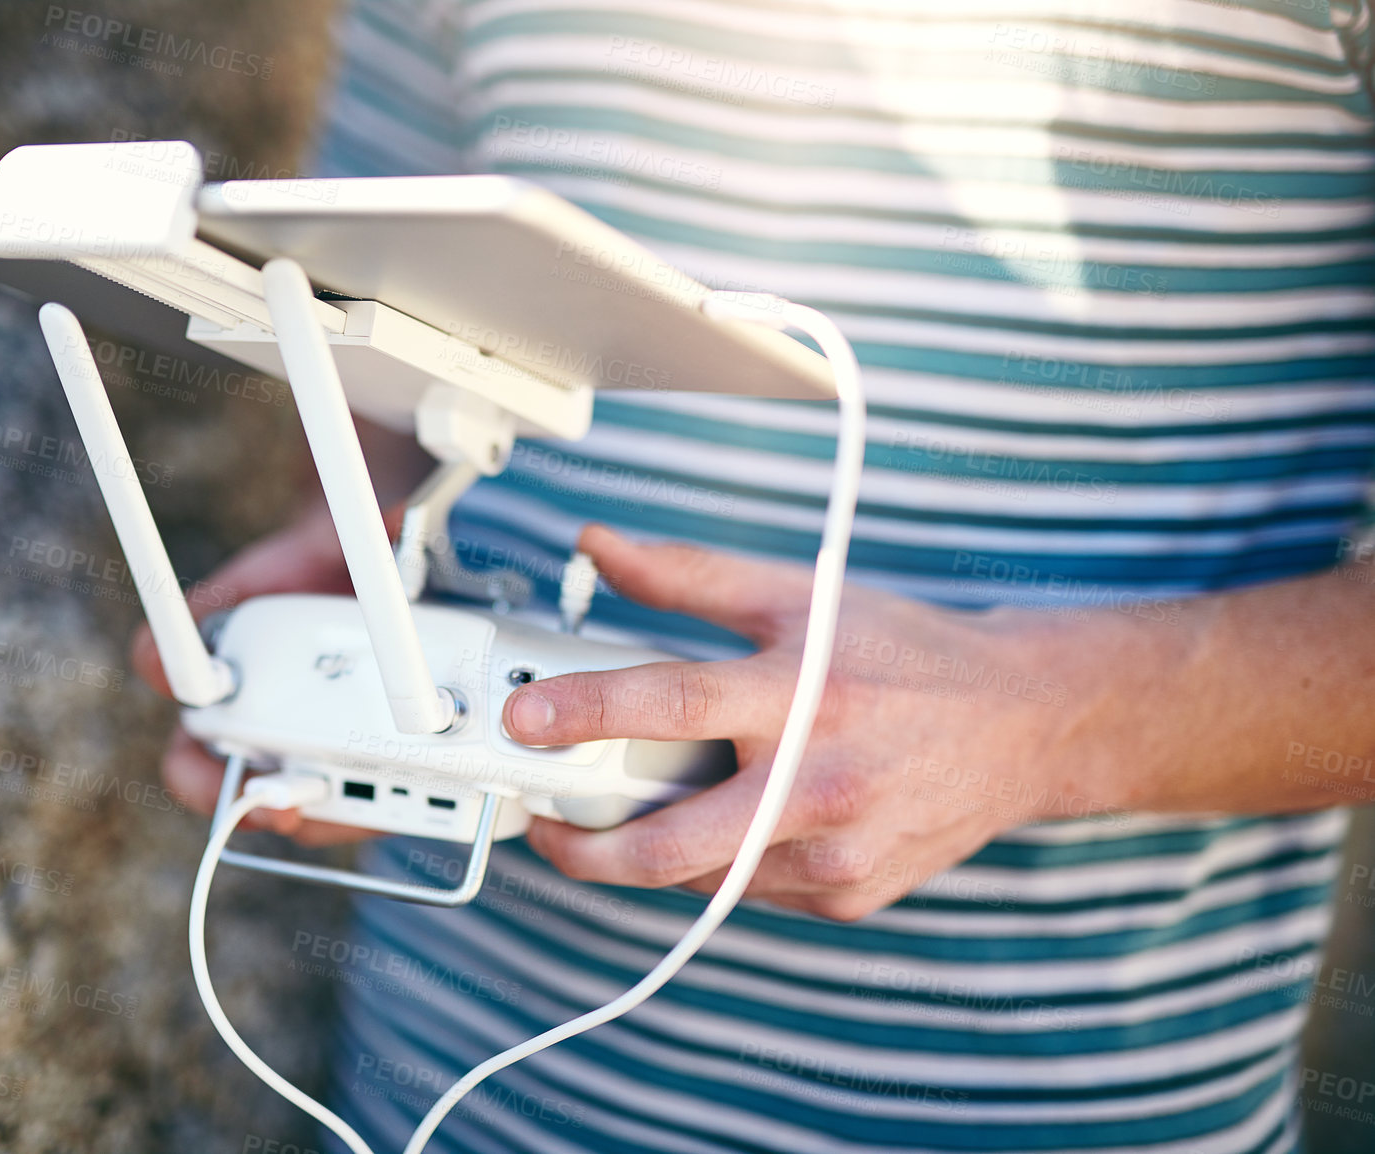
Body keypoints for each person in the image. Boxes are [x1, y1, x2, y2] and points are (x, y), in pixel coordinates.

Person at [135, 2, 1375, 1150]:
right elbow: (365, 275)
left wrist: (1043, 720)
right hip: (441, 1081)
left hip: (1039, 1097)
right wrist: (364, 547)